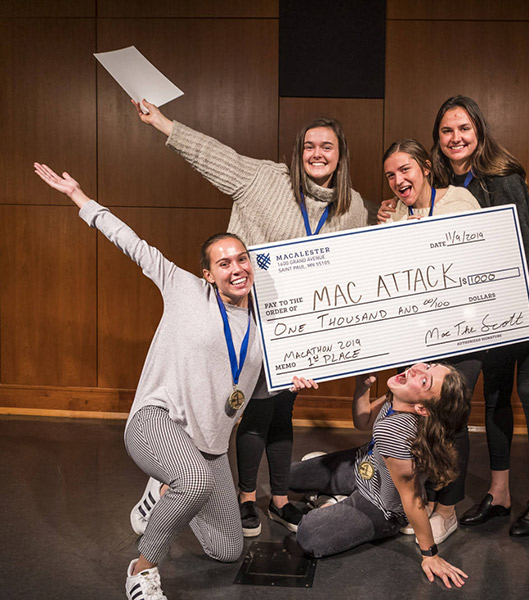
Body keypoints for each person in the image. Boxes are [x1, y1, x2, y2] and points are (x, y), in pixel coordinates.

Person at [33, 162, 315, 600]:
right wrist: (79, 198)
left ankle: (161, 493)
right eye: (224, 263)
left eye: (242, 259)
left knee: (227, 548)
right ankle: (141, 569)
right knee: (194, 482)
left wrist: (287, 382)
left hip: (210, 446)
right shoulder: (183, 288)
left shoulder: (263, 328)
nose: (236, 268)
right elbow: (132, 243)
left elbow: (251, 391)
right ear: (207, 273)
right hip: (157, 421)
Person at [129, 99, 376, 537]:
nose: (317, 154)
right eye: (309, 147)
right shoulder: (264, 178)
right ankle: (239, 497)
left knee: (284, 410)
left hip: (299, 331)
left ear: (341, 155)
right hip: (245, 323)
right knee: (252, 412)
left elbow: (355, 265)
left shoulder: (352, 207)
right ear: (298, 153)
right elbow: (211, 155)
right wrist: (161, 122)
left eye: (327, 147)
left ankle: (279, 499)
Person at [429, 96, 529, 537]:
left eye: (464, 129)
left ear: (479, 132)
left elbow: (521, 246)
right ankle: (500, 493)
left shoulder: (501, 177)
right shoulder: (444, 184)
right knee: (496, 394)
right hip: (491, 295)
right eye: (447, 131)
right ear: (439, 139)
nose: (456, 138)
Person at [377, 138, 482, 544]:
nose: (398, 180)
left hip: (462, 329)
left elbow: (480, 256)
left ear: (424, 166)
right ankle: (420, 499)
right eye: (390, 175)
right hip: (416, 333)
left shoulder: (459, 199)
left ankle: (447, 509)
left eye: (405, 169)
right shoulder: (393, 213)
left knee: (451, 421)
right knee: (419, 420)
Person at [290, 363, 471, 589]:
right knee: (289, 476)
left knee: (308, 534)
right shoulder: (396, 397)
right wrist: (361, 388)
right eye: (427, 366)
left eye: (425, 381)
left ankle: (334, 501)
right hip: (363, 466)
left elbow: (412, 498)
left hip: (379, 506)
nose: (417, 371)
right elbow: (362, 421)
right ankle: (334, 498)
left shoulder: (396, 433)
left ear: (422, 408)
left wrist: (430, 554)